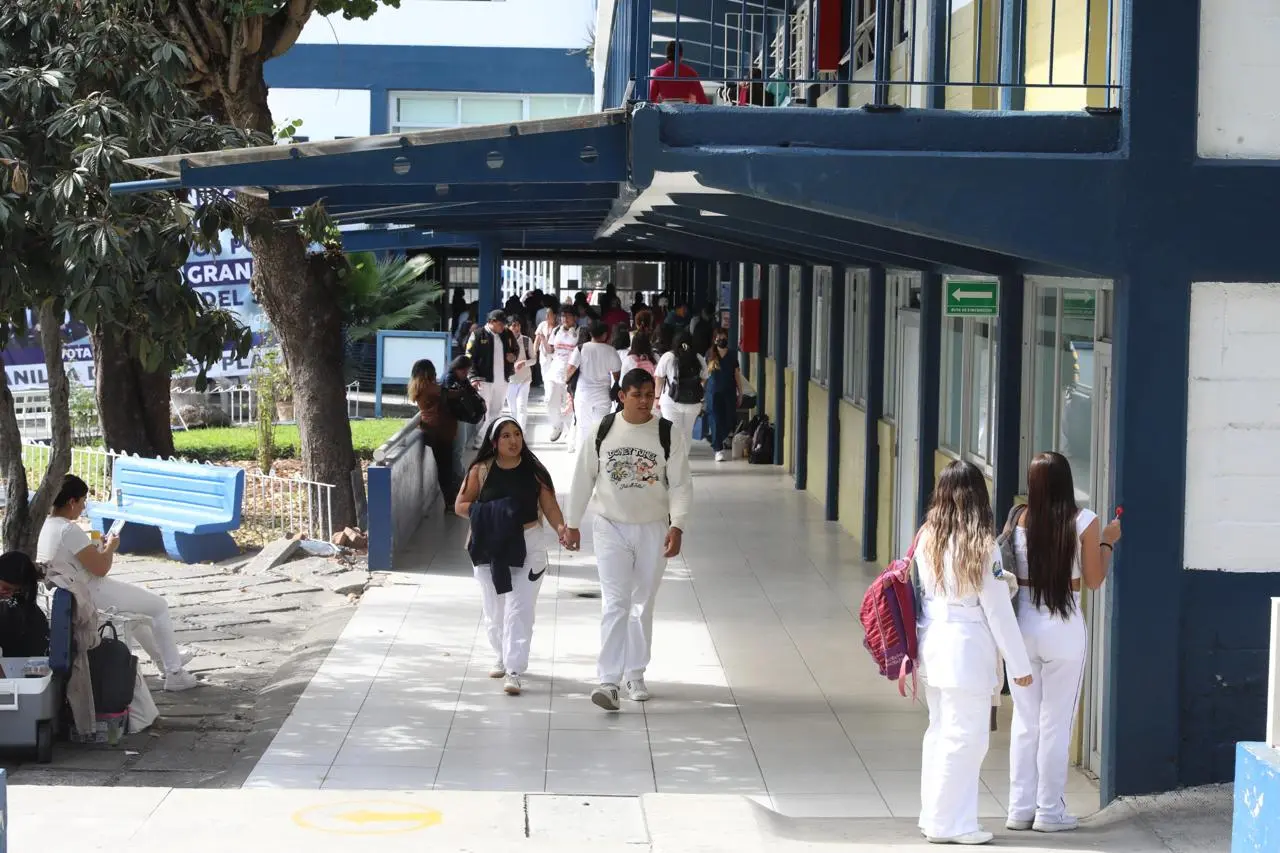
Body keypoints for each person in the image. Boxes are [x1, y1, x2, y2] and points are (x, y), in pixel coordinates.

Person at [914, 461, 1033, 845]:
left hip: (932, 646)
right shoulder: (982, 547)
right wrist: (1019, 667)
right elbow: (998, 613)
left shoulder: (926, 536)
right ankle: (951, 824)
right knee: (967, 739)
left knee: (940, 733)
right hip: (966, 652)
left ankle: (934, 815)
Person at [562, 369, 693, 711]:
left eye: (649, 395)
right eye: (637, 395)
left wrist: (677, 525)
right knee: (615, 602)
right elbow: (582, 477)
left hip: (653, 526)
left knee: (642, 602)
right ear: (622, 396)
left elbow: (680, 484)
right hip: (610, 525)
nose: (644, 401)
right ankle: (608, 680)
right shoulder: (602, 430)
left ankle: (635, 672)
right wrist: (572, 523)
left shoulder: (667, 433)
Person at [1007, 452, 1122, 834]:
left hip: (1021, 626)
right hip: (1063, 624)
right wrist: (1106, 542)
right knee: (1056, 723)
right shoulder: (1084, 522)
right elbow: (1093, 580)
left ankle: (1019, 809)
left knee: (1025, 722)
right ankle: (1049, 811)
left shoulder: (1018, 518)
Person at [36, 475, 199, 692]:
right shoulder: (68, 530)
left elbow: (80, 559)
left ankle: (167, 663)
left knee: (140, 616)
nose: (84, 507)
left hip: (70, 591)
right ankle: (175, 674)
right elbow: (101, 569)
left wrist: (98, 548)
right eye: (83, 501)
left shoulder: (46, 525)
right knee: (159, 607)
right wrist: (111, 547)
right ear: (72, 502)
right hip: (90, 593)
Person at [455, 417, 568, 696]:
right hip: (489, 544)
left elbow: (550, 506)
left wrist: (562, 529)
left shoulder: (535, 471)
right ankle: (501, 655)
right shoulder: (480, 470)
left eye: (517, 434)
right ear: (494, 441)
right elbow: (460, 505)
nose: (513, 440)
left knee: (520, 609)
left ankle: (515, 670)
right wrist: (497, 513)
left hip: (529, 544)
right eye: (505, 435)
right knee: (494, 608)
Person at [409, 359, 461, 505]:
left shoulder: (418, 387)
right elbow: (453, 394)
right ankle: (450, 502)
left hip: (431, 431)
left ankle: (451, 500)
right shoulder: (430, 388)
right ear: (428, 373)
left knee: (443, 466)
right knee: (445, 467)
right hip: (441, 432)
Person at [566, 321, 622, 452]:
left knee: (583, 428)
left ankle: (582, 460)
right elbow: (617, 375)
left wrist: (567, 381)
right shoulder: (611, 350)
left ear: (590, 333)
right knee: (600, 429)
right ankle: (598, 459)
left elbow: (570, 369)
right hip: (603, 395)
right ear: (605, 334)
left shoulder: (581, 348)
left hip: (583, 394)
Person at [466, 310, 517, 448]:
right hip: (483, 380)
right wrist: (473, 377)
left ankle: (490, 438)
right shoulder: (477, 335)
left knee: (497, 410)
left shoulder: (507, 334)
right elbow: (469, 357)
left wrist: (513, 357)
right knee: (484, 411)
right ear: (492, 322)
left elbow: (515, 349)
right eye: (500, 324)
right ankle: (480, 440)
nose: (503, 327)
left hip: (502, 380)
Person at [654, 330, 707, 450]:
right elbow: (704, 379)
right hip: (693, 402)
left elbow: (659, 378)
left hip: (670, 400)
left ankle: (673, 463)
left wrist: (657, 398)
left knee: (672, 433)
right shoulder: (698, 357)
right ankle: (683, 462)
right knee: (687, 433)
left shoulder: (668, 356)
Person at [704, 331, 743, 462]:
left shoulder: (732, 355)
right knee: (715, 419)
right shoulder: (710, 354)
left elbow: (736, 374)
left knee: (728, 419)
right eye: (719, 338)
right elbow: (704, 375)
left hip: (729, 392)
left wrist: (740, 392)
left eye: (724, 338)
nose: (722, 340)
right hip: (713, 392)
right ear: (715, 339)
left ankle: (720, 437)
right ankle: (718, 449)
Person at [543, 305, 580, 443]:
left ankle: (570, 432)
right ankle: (557, 426)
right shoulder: (557, 330)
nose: (564, 318)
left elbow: (581, 351)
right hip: (554, 370)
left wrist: (571, 373)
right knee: (549, 400)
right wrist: (543, 340)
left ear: (575, 317)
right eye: (563, 316)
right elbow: (551, 350)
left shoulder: (580, 331)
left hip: (571, 371)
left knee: (568, 405)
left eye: (568, 315)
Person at [504, 315, 535, 432]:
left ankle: (521, 432)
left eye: (518, 325)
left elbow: (534, 360)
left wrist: (524, 363)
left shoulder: (527, 340)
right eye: (513, 325)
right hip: (509, 380)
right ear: (508, 327)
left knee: (521, 407)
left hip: (525, 379)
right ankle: (514, 431)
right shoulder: (503, 342)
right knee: (512, 409)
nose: (516, 328)